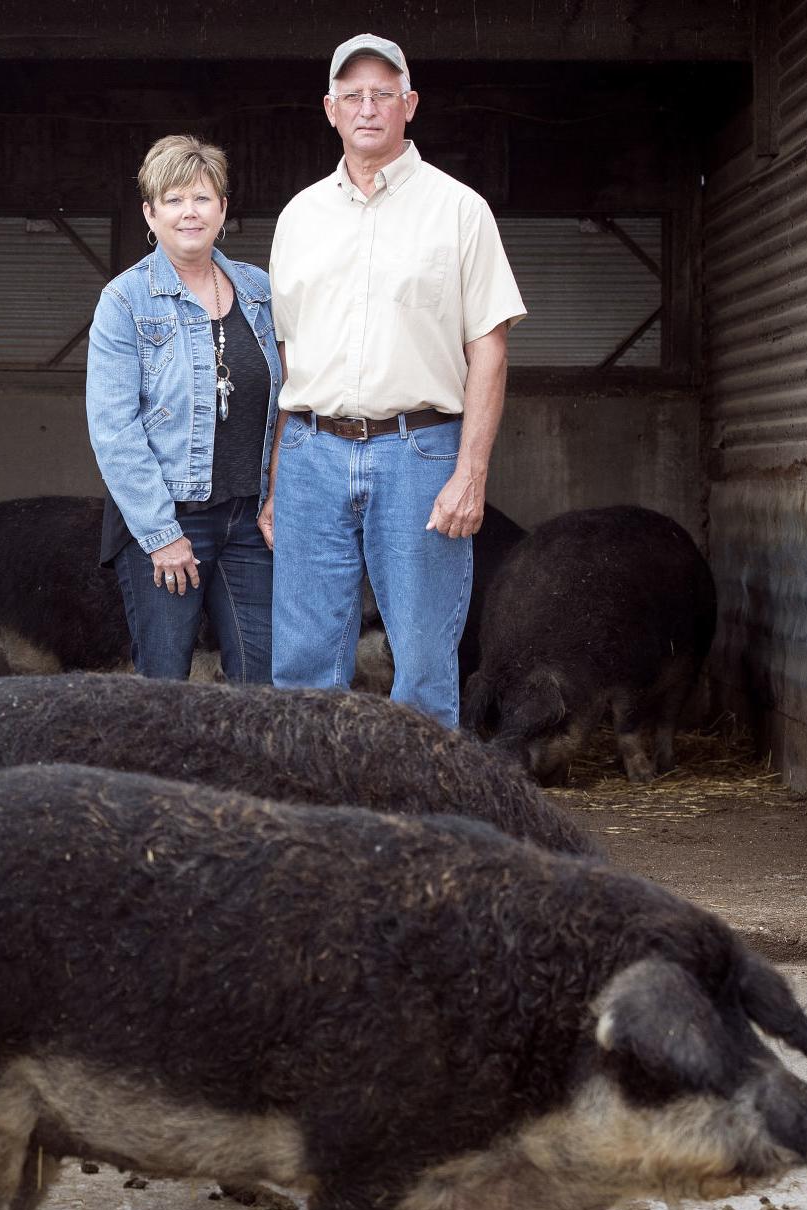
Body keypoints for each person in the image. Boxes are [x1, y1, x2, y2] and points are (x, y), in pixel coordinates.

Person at [264, 34, 526, 727]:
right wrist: (275, 485)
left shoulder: (458, 210)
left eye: (383, 92)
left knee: (421, 659)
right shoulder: (299, 217)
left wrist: (470, 472)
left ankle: (421, 826)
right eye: (352, 95)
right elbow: (289, 363)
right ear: (329, 109)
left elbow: (489, 348)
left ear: (409, 104)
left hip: (418, 452)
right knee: (302, 661)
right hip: (311, 455)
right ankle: (314, 815)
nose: (367, 106)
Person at [87, 134, 281, 682]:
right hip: (169, 521)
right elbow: (113, 428)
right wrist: (160, 534)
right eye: (173, 200)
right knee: (165, 681)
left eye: (202, 198)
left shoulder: (260, 291)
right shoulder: (126, 300)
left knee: (262, 679)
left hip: (250, 519)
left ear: (223, 208)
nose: (189, 212)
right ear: (150, 213)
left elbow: (294, 399)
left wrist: (277, 493)